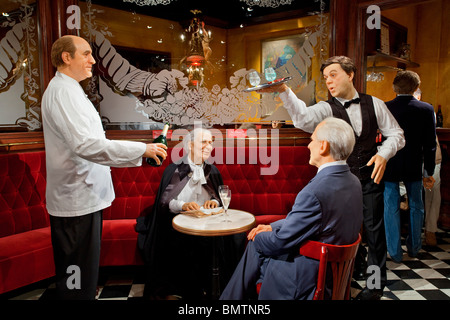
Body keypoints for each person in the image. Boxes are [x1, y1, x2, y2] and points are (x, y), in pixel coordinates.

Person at [257, 56, 405, 300]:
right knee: (341, 231)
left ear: (350, 74)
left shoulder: (375, 104)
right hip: (341, 183)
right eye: (326, 77)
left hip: (368, 179)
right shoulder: (327, 108)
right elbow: (302, 118)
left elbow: (397, 134)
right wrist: (284, 90)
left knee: (375, 232)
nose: (329, 81)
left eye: (334, 75)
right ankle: (347, 274)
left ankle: (375, 286)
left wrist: (383, 155)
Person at [41, 35, 168, 300]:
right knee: (75, 275)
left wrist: (140, 151)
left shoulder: (70, 89)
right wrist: (142, 150)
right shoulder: (63, 91)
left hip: (82, 196)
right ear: (67, 57)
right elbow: (86, 145)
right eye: (86, 54)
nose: (92, 59)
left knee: (82, 274)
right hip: (75, 199)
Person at [219, 117, 363, 300]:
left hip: (311, 278)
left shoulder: (314, 191)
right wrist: (272, 227)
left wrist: (260, 236)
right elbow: (313, 220)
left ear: (323, 146)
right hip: (336, 275)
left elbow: (280, 242)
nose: (308, 146)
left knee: (256, 243)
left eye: (312, 140)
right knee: (261, 247)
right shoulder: (354, 182)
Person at [136, 128, 246, 299]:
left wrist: (214, 202)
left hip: (208, 225)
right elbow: (165, 203)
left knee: (234, 237)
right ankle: (184, 290)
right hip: (179, 224)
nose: (209, 146)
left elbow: (218, 197)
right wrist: (183, 205)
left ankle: (217, 287)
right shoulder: (175, 170)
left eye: (211, 142)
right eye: (204, 142)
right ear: (189, 145)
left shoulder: (213, 171)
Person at [383, 71, 436, 262]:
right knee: (416, 207)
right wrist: (428, 171)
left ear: (394, 87)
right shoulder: (426, 109)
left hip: (391, 162)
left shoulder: (385, 107)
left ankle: (394, 252)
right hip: (414, 163)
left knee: (390, 207)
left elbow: (380, 139)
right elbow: (430, 144)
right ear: (416, 87)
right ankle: (414, 248)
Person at [414, 88, 442, 247]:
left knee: (432, 193)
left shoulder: (427, 110)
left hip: (432, 157)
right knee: (410, 191)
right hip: (412, 159)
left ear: (418, 96)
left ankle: (430, 230)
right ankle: (415, 230)